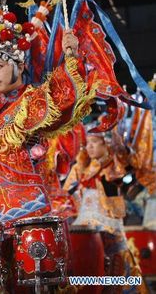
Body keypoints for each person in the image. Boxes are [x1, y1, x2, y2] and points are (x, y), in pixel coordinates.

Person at [0, 5, 96, 224]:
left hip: (24, 214)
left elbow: (62, 99)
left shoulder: (30, 101)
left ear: (20, 66)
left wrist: (71, 55)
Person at [63, 123, 148, 293]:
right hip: (87, 229)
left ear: (105, 143)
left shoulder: (113, 163)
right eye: (87, 143)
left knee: (118, 263)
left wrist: (119, 145)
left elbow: (129, 160)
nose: (90, 146)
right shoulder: (81, 167)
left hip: (110, 226)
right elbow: (64, 195)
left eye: (94, 141)